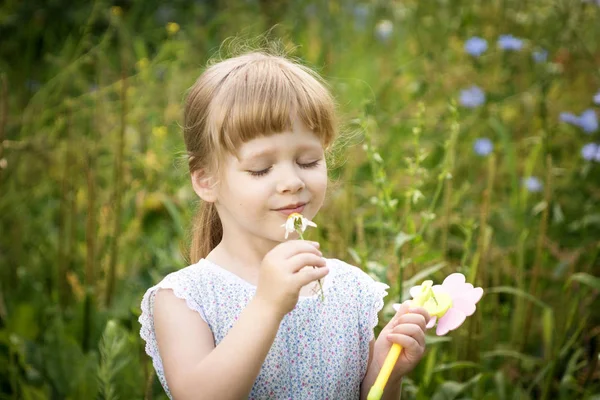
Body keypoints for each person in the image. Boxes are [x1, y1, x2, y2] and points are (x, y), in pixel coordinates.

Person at [139, 49, 430, 400]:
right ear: (206, 181)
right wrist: (267, 305)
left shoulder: (350, 290)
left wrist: (387, 372)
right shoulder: (186, 299)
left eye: (308, 161)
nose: (291, 181)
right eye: (261, 169)